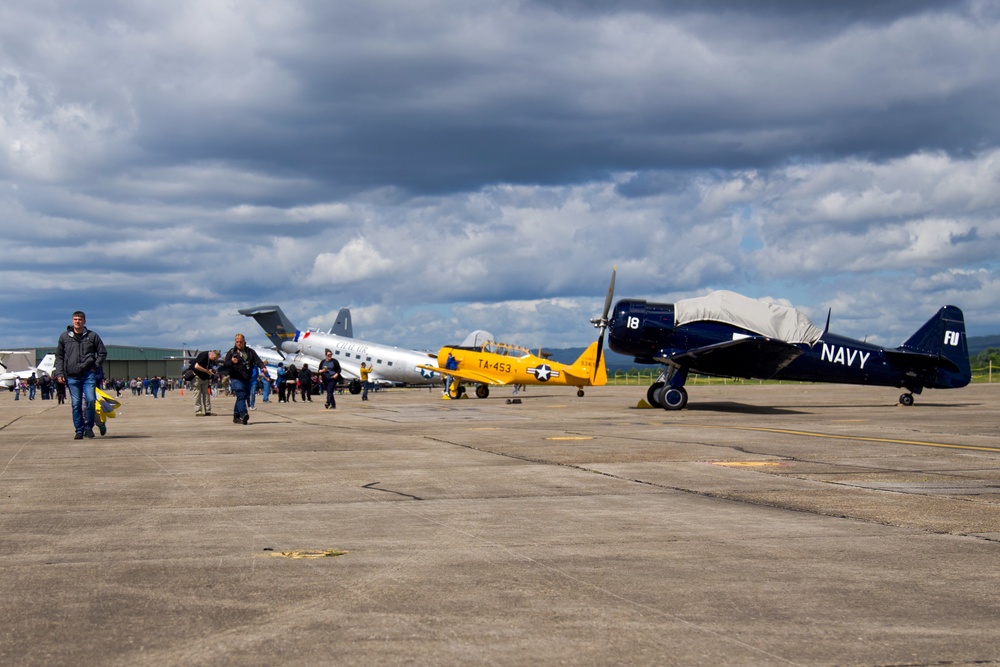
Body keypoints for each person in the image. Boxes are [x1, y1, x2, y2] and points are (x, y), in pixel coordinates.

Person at [54, 310, 108, 440]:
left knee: (90, 400)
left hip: (88, 374)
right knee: (76, 403)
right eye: (75, 319)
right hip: (72, 375)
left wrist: (95, 367)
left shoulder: (92, 336)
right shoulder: (64, 337)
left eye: (80, 319)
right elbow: (59, 356)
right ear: (72, 321)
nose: (77, 321)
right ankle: (79, 429)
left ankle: (88, 427)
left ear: (84, 321)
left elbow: (102, 353)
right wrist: (59, 372)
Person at [222, 333, 266, 425]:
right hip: (236, 378)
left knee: (242, 397)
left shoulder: (250, 352)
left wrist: (262, 367)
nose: (239, 343)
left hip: (247, 378)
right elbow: (225, 364)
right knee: (241, 395)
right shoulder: (231, 352)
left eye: (240, 342)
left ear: (244, 342)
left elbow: (257, 360)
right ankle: (243, 413)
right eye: (237, 342)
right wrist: (231, 362)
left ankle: (236, 416)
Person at [191, 349, 220, 416]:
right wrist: (207, 371)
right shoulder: (203, 355)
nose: (215, 360)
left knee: (207, 394)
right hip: (197, 377)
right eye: (214, 358)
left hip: (205, 378)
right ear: (211, 354)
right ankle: (198, 411)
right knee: (197, 394)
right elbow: (197, 366)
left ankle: (208, 411)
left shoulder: (212, 360)